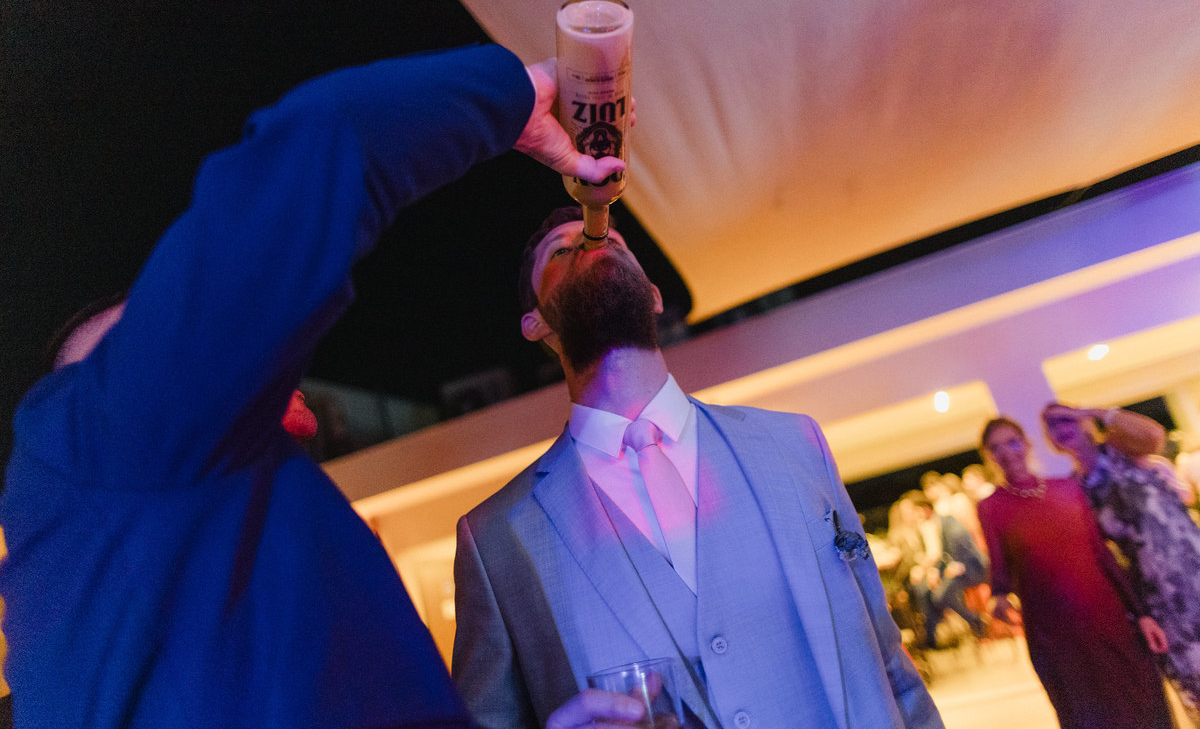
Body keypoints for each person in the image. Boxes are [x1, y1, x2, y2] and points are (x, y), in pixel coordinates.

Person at [0, 46, 645, 728]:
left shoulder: (219, 552)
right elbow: (316, 150)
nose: (211, 358)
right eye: (153, 347)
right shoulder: (97, 429)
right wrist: (514, 95)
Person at [451, 207, 943, 729]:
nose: (591, 241)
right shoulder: (496, 539)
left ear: (654, 295)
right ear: (537, 324)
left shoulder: (795, 445)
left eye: (608, 237)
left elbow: (890, 667)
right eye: (561, 250)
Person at [976, 417, 1172, 729]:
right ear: (989, 457)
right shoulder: (990, 507)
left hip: (1109, 617)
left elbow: (1102, 554)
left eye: (1012, 441)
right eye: (995, 447)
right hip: (1054, 631)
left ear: (1026, 444)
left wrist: (1142, 613)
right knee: (1085, 712)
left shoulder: (1068, 488)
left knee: (1142, 702)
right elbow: (1001, 571)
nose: (1007, 452)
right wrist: (998, 599)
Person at [1042, 403, 1200, 722]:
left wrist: (1093, 411)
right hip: (1158, 597)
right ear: (1051, 441)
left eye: (1066, 419)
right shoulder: (1077, 489)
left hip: (1193, 567)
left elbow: (1154, 434)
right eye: (1052, 426)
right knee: (1193, 683)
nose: (1062, 428)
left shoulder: (1121, 450)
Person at [904, 492, 988, 649]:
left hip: (970, 568)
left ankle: (975, 620)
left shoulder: (948, 522)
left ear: (924, 509)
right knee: (927, 592)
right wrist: (936, 571)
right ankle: (933, 634)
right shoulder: (936, 524)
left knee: (940, 596)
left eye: (915, 512)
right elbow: (943, 554)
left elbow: (964, 550)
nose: (914, 517)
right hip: (955, 569)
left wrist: (954, 565)